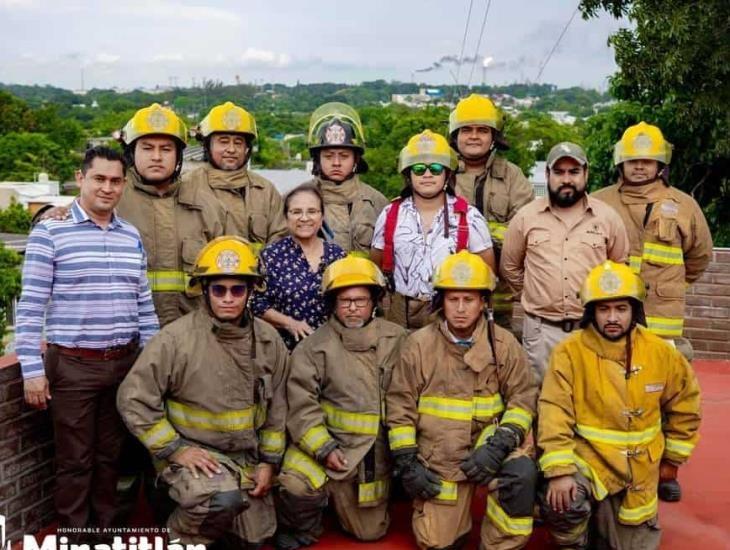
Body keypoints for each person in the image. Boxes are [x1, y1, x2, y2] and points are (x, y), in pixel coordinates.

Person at [16, 146, 159, 529]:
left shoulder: (131, 236)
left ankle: (104, 534)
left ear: (124, 185)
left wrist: (152, 363)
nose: (107, 188)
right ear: (81, 179)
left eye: (115, 181)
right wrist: (31, 369)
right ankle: (75, 538)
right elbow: (30, 307)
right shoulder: (51, 232)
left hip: (124, 365)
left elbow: (144, 306)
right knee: (75, 462)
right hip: (73, 367)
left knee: (111, 458)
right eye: (99, 178)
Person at [117, 237, 289, 547]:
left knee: (256, 538)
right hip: (194, 455)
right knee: (220, 502)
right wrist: (175, 449)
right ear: (204, 291)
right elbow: (133, 399)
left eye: (237, 290)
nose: (227, 298)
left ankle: (210, 521)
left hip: (245, 459)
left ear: (250, 292)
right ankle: (177, 535)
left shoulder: (268, 340)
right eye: (218, 290)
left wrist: (268, 463)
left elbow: (277, 408)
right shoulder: (175, 340)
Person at [537, 260, 701, 549]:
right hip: (587, 462)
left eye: (621, 309)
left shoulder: (662, 353)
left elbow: (686, 408)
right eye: (604, 309)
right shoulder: (569, 353)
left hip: (639, 470)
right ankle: (575, 543)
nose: (612, 317)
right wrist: (560, 471)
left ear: (635, 311)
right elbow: (554, 412)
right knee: (564, 504)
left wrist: (672, 462)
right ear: (591, 312)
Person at [387, 251, 538, 550]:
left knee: (521, 473)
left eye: (468, 300)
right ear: (440, 301)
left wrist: (501, 444)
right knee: (436, 543)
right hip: (439, 456)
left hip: (491, 445)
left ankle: (499, 544)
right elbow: (400, 407)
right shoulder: (418, 345)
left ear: (483, 303)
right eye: (453, 299)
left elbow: (523, 398)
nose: (460, 309)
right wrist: (407, 463)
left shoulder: (504, 344)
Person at [37, 103, 231, 328]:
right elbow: (57, 227)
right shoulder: (110, 197)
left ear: (178, 155)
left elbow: (226, 277)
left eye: (166, 149)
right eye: (147, 148)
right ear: (131, 152)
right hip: (124, 339)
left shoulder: (208, 207)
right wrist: (47, 213)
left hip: (192, 338)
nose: (157, 157)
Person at [275, 255, 407, 549]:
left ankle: (343, 498)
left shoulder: (398, 340)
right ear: (332, 303)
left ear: (375, 302)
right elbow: (300, 407)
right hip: (325, 448)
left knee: (370, 533)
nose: (352, 308)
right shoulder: (312, 347)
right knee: (293, 486)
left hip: (372, 454)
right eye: (344, 301)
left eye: (360, 300)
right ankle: (305, 522)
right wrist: (323, 447)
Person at [500, 142, 630, 383]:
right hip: (541, 331)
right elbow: (510, 267)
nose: (566, 179)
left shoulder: (607, 218)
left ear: (586, 174)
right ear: (547, 175)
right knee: (540, 398)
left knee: (591, 396)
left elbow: (620, 268)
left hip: (591, 329)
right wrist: (533, 293)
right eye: (559, 172)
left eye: (574, 172)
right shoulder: (526, 217)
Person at [592, 122, 713, 362]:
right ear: (620, 163)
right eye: (632, 161)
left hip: (662, 318)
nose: (639, 166)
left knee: (660, 385)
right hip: (610, 312)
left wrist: (673, 284)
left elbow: (700, 256)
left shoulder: (684, 205)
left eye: (646, 161)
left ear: (660, 165)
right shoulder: (598, 202)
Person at [371, 130, 496, 330]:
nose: (427, 175)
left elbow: (488, 273)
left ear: (447, 174)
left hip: (449, 312)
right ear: (408, 175)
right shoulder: (389, 214)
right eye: (419, 168)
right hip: (398, 313)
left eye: (436, 168)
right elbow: (376, 265)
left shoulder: (469, 217)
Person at [450, 94, 534, 332]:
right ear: (455, 136)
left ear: (494, 137)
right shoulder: (441, 174)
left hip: (500, 291)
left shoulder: (512, 176)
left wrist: (477, 236)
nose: (474, 136)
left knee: (498, 348)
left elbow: (524, 231)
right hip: (451, 286)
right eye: (466, 130)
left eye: (482, 130)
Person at [251, 184, 346, 349]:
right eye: (296, 212)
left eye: (312, 211)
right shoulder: (271, 255)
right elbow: (256, 304)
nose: (304, 218)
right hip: (284, 348)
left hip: (332, 348)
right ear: (286, 217)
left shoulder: (337, 255)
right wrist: (289, 323)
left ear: (322, 216)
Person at [185, 101, 288, 248]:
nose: (231, 149)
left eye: (238, 143)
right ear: (208, 146)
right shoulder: (186, 186)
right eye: (223, 142)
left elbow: (280, 240)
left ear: (247, 148)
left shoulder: (266, 191)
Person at [304, 102, 388, 254]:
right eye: (328, 156)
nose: (336, 163)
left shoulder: (377, 202)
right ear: (317, 159)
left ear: (356, 159)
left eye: (344, 156)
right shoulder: (297, 199)